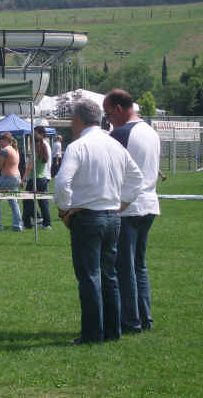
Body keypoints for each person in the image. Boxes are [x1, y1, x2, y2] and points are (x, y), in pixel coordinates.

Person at [54, 99, 143, 344]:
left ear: (79, 120)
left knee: (89, 277)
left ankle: (93, 333)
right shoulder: (114, 145)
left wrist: (64, 210)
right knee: (109, 276)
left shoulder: (78, 146)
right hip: (112, 217)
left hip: (87, 217)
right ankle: (112, 331)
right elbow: (137, 177)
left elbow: (62, 184)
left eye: (72, 119)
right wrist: (122, 203)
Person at [105, 88, 161, 333]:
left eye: (109, 114)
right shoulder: (150, 131)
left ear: (119, 109)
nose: (108, 120)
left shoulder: (120, 133)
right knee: (139, 265)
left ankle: (130, 321)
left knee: (124, 267)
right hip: (149, 204)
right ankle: (144, 317)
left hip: (128, 207)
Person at [0, 132, 24, 232]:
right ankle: (18, 225)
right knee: (13, 201)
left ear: (6, 140)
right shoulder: (15, 150)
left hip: (7, 178)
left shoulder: (4, 151)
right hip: (16, 177)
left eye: (1, 140)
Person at [21, 126, 52, 230]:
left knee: (27, 200)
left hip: (35, 179)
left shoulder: (37, 148)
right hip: (42, 178)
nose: (32, 135)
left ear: (41, 134)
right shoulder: (44, 146)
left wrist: (23, 178)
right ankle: (46, 223)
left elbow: (30, 165)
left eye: (35, 133)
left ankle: (37, 217)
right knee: (42, 202)